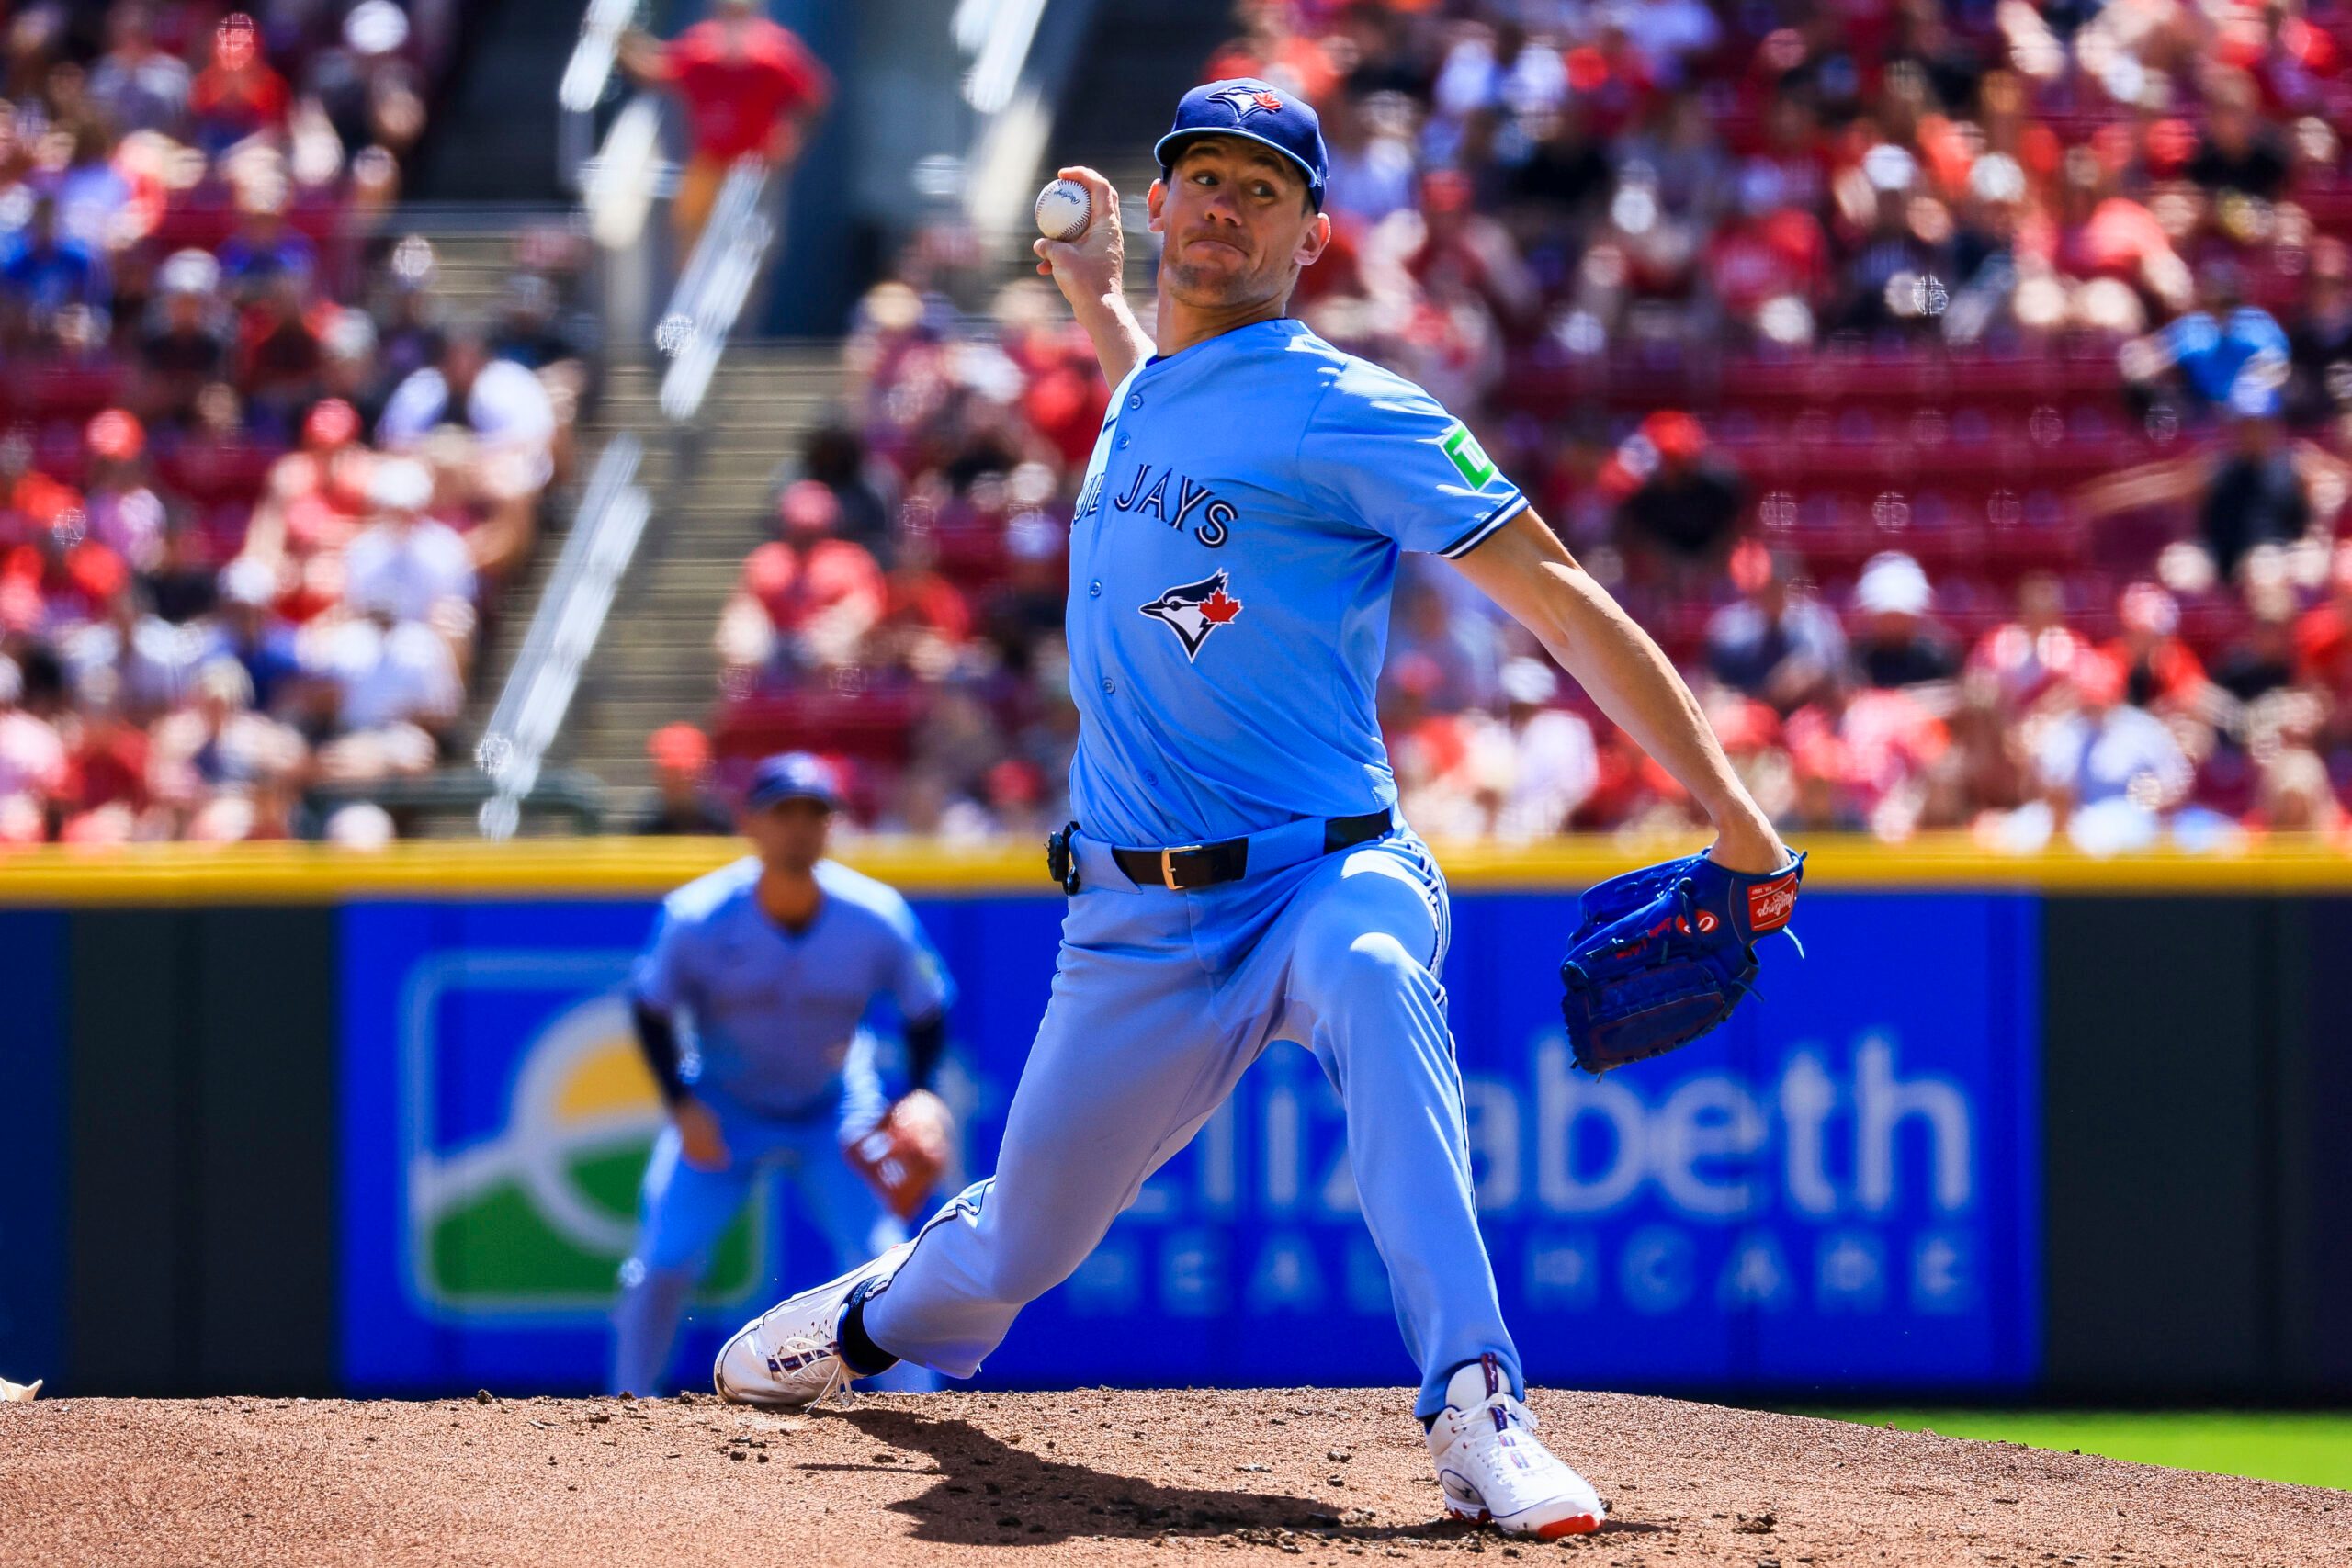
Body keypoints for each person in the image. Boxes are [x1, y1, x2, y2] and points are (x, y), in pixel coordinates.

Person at [711, 80, 1792, 1540]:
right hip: (1137, 919)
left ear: (1311, 233)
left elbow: (1561, 595)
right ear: (1162, 203)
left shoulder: (1347, 407)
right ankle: (870, 1318)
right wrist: (1098, 301)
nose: (1226, 203)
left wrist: (1738, 818)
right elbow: (1161, 409)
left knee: (1370, 973)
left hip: (1327, 869)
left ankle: (1481, 1403)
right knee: (1020, 1243)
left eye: (1262, 188)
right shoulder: (1150, 383)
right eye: (1204, 178)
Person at [612, 752, 952, 1398]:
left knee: (887, 1264)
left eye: (814, 813)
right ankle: (625, 1405)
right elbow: (650, 1007)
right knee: (660, 1263)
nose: (799, 827)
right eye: (783, 812)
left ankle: (917, 1404)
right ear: (752, 823)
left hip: (834, 1109)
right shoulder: (698, 913)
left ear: (832, 825)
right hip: (724, 1104)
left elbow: (927, 1006)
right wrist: (681, 1104)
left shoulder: (874, 913)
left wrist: (921, 1094)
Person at [617, 0, 831, 255]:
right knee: (691, 238)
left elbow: (815, 98)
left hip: (756, 170)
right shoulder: (702, 49)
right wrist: (620, 41)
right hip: (710, 163)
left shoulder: (775, 55)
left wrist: (793, 137)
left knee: (749, 249)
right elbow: (655, 70)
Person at [635, 722, 733, 835]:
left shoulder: (718, 821)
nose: (674, 781)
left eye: (683, 773)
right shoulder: (646, 822)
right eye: (668, 772)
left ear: (699, 773)